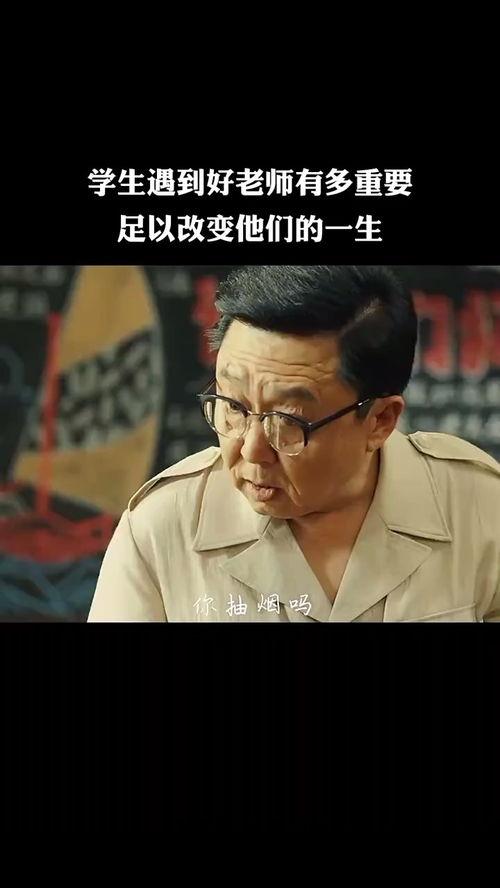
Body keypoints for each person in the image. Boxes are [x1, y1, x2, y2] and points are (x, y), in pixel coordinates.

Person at [88, 266, 500, 622]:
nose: (250, 450)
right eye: (233, 406)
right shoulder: (161, 529)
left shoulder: (480, 509)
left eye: (288, 421)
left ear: (380, 421)